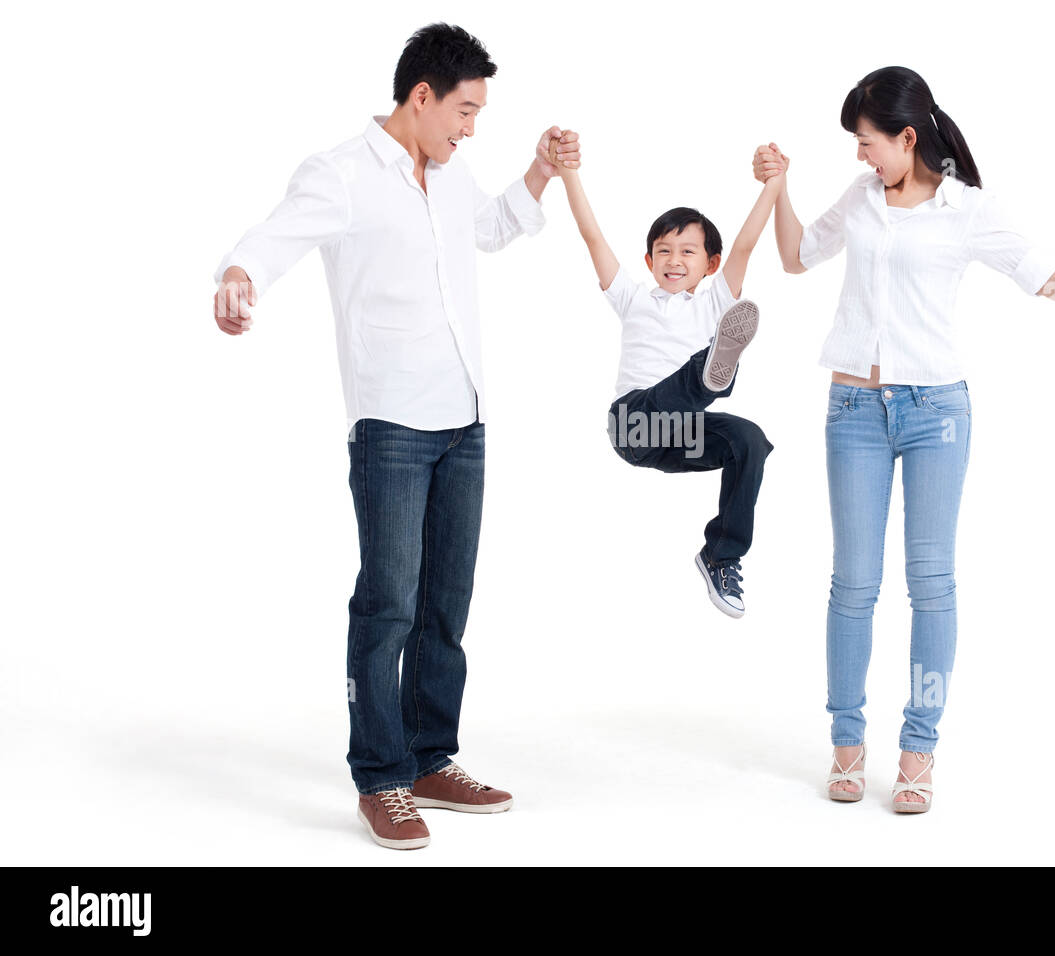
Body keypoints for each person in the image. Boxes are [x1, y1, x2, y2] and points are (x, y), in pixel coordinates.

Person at [211, 22, 581, 849]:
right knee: (388, 607)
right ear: (421, 97)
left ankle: (428, 758)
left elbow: (487, 229)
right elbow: (272, 239)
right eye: (465, 110)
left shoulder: (449, 176)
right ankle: (380, 776)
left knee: (445, 608)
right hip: (391, 426)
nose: (470, 127)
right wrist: (238, 277)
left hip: (465, 418)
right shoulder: (341, 174)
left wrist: (540, 172)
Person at [754, 66, 1055, 811]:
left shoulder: (968, 211)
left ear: (908, 138)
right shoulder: (861, 200)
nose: (860, 156)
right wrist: (777, 189)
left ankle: (918, 752)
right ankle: (847, 744)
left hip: (937, 413)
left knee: (931, 587)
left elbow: (1043, 281)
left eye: (868, 142)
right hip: (855, 410)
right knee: (853, 586)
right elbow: (794, 257)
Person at [550, 136, 778, 617]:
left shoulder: (716, 300)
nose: (675, 261)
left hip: (681, 437)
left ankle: (721, 555)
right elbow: (592, 235)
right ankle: (714, 372)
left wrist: (773, 185)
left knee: (749, 440)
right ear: (649, 261)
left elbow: (746, 243)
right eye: (664, 251)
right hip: (635, 426)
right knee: (696, 381)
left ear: (710, 265)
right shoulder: (633, 298)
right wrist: (567, 171)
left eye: (689, 252)